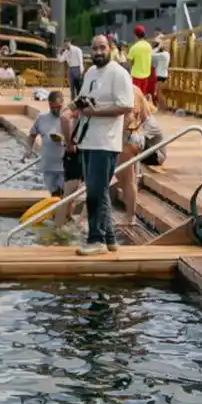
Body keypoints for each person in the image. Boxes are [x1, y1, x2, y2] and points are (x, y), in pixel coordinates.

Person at [75, 32, 137, 252]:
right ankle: (110, 238)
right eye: (95, 49)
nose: (98, 52)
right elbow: (83, 100)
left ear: (110, 48)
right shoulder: (91, 72)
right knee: (97, 190)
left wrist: (96, 112)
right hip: (88, 139)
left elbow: (126, 106)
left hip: (106, 142)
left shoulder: (119, 74)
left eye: (102, 48)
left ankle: (96, 239)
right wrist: (74, 109)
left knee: (95, 191)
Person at [27, 91, 68, 197]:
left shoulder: (69, 117)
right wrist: (29, 149)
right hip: (48, 165)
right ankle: (56, 213)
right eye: (52, 107)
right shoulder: (42, 118)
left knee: (63, 195)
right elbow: (32, 135)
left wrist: (63, 140)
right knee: (53, 194)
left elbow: (78, 140)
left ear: (63, 103)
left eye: (58, 107)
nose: (55, 110)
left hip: (65, 165)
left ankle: (64, 213)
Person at [126, 25, 154, 107]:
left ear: (135, 35)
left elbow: (128, 63)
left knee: (135, 97)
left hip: (136, 76)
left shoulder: (134, 47)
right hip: (146, 75)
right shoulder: (148, 46)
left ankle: (136, 114)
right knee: (143, 96)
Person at [152, 36, 171, 101]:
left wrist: (158, 47)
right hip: (162, 75)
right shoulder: (166, 54)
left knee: (159, 92)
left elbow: (151, 54)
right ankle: (161, 107)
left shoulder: (163, 54)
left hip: (160, 75)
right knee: (159, 92)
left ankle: (162, 108)